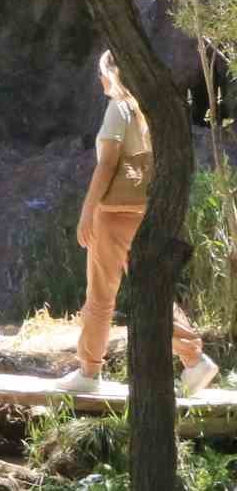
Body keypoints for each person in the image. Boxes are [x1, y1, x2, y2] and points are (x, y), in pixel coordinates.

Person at [56, 50, 218, 394]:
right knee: (152, 288)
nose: (100, 81)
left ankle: (89, 372)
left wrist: (88, 210)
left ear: (112, 76)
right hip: (143, 211)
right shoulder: (148, 112)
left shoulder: (119, 108)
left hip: (112, 215)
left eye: (102, 73)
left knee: (100, 295)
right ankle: (194, 358)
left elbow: (107, 165)